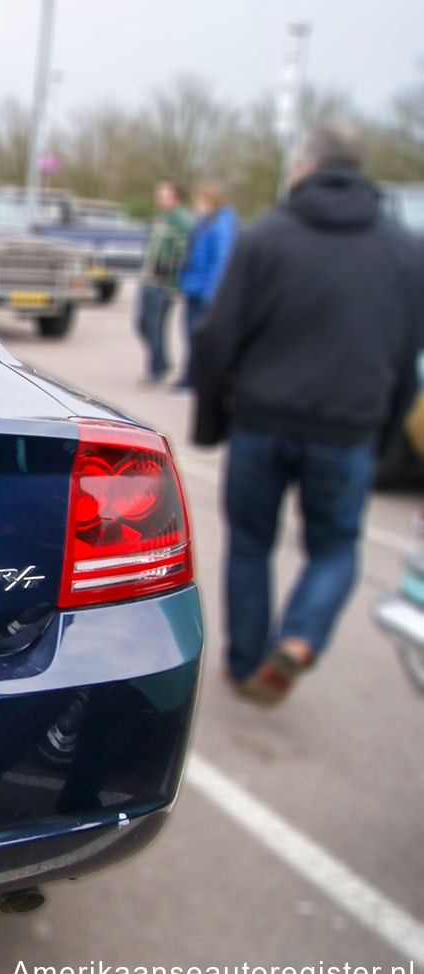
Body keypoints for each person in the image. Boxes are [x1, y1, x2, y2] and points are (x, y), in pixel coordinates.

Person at [192, 122, 424, 706]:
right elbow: (408, 347)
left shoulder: (266, 237)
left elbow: (218, 334)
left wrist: (211, 420)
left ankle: (245, 664)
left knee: (249, 544)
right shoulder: (404, 250)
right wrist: (390, 433)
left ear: (305, 167)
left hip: (262, 422)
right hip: (348, 429)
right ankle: (299, 639)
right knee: (337, 545)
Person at [171, 180, 238, 390]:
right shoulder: (204, 221)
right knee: (190, 335)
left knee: (198, 337)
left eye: (199, 199)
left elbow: (221, 262)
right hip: (194, 289)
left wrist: (212, 296)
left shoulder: (221, 225)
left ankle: (193, 379)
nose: (196, 203)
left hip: (206, 294)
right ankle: (190, 377)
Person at [135, 180, 191, 383]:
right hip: (148, 279)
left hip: (163, 283)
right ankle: (162, 362)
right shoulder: (159, 218)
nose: (158, 198)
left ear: (175, 196)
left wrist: (175, 285)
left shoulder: (182, 221)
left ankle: (156, 368)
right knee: (142, 324)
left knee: (155, 326)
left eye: (163, 194)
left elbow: (183, 255)